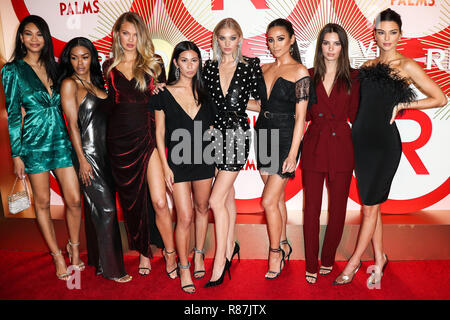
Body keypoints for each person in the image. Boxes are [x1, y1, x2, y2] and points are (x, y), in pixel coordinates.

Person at [334, 8, 446, 286]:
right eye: (381, 32)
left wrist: (404, 104)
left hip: (384, 145)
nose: (387, 38)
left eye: (392, 32)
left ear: (400, 34)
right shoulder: (368, 67)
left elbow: (440, 98)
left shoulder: (407, 66)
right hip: (360, 141)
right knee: (372, 205)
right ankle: (380, 257)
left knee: (369, 206)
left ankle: (354, 262)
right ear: (374, 34)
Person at [1, 15, 83, 280]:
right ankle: (56, 256)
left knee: (73, 199)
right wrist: (17, 154)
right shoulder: (12, 70)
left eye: (39, 34)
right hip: (33, 143)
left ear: (46, 37)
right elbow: (14, 115)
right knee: (44, 203)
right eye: (28, 34)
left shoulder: (57, 68)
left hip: (61, 140)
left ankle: (73, 247)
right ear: (21, 38)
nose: (34, 39)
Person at [103, 12, 177, 277]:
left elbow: (167, 98)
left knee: (158, 201)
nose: (131, 39)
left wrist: (162, 90)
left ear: (142, 36)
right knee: (133, 203)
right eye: (126, 33)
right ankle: (145, 251)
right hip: (119, 142)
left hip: (148, 137)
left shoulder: (154, 63)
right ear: (117, 35)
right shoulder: (108, 67)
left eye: (136, 34)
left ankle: (170, 253)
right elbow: (106, 106)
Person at [58, 37, 132, 283]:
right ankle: (113, 270)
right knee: (108, 209)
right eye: (74, 57)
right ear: (69, 60)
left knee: (99, 210)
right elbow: (73, 127)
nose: (80, 62)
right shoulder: (70, 84)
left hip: (107, 154)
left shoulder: (100, 83)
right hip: (88, 156)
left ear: (92, 58)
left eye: (85, 56)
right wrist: (81, 159)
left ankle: (101, 263)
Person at [202, 18, 264, 288]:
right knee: (226, 195)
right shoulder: (208, 67)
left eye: (232, 38)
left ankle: (219, 261)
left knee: (214, 200)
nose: (227, 44)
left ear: (240, 39)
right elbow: (200, 100)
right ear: (217, 39)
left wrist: (238, 105)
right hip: (212, 136)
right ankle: (229, 247)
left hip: (238, 135)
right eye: (222, 38)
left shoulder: (251, 67)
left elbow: (262, 104)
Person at [153, 41, 216, 293]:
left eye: (194, 60)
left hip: (204, 157)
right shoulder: (163, 93)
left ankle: (199, 254)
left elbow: (211, 126)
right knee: (185, 216)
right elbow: (159, 132)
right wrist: (165, 165)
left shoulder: (206, 92)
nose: (190, 65)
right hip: (177, 161)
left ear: (199, 63)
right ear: (176, 63)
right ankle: (184, 265)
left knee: (202, 208)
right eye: (184, 60)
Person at [301, 24, 360, 284]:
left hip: (342, 149)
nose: (331, 48)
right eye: (326, 43)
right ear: (320, 46)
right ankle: (311, 262)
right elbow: (300, 116)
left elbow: (358, 117)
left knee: (338, 210)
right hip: (314, 147)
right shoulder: (308, 75)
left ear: (343, 47)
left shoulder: (355, 78)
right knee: (311, 209)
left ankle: (328, 258)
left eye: (336, 43)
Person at [254, 18, 309, 279]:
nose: (274, 44)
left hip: (286, 138)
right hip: (262, 135)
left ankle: (275, 251)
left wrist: (292, 153)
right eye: (270, 39)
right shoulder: (263, 68)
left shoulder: (300, 72)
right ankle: (285, 242)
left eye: (280, 39)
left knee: (267, 201)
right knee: (277, 199)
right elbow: (260, 105)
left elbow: (301, 117)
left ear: (291, 39)